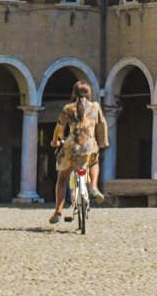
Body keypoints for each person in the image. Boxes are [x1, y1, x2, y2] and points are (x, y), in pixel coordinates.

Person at [48, 80, 107, 225]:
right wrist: (103, 142)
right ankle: (93, 186)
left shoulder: (68, 108)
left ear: (74, 93)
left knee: (62, 180)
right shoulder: (95, 107)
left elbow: (59, 127)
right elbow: (102, 124)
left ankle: (58, 211)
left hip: (71, 147)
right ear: (89, 93)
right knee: (94, 161)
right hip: (89, 145)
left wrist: (55, 140)